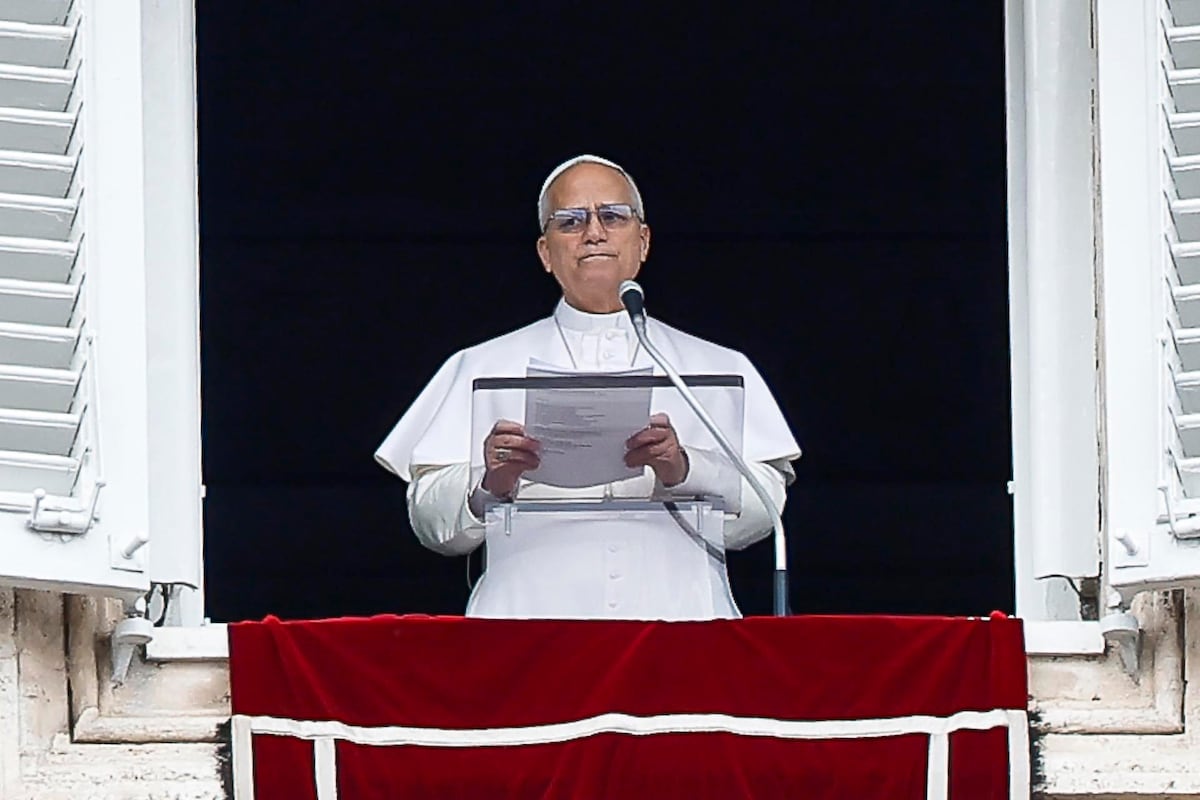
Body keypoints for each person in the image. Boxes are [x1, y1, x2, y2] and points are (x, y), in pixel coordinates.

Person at [375, 154, 800, 619]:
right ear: (545, 253)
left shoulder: (716, 365)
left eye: (612, 216)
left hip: (681, 626)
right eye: (570, 221)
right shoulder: (481, 365)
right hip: (525, 630)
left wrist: (683, 468)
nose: (594, 232)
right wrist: (490, 481)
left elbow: (763, 516)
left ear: (643, 241)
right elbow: (430, 525)